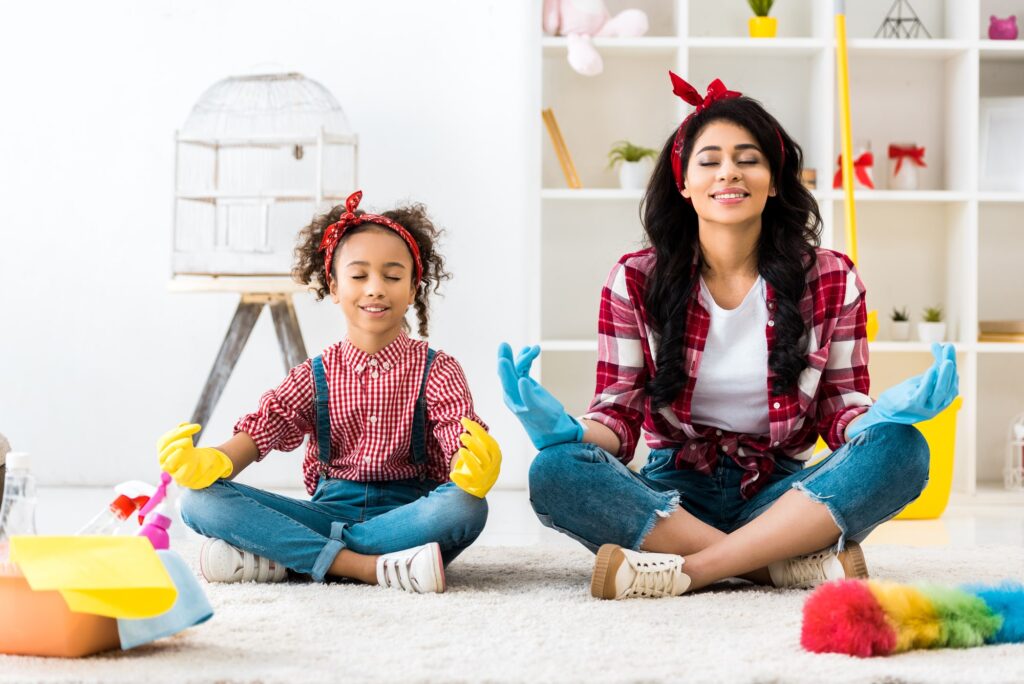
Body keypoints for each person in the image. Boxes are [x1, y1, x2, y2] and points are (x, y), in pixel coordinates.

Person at [499, 74, 958, 600]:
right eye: (710, 160)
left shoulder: (831, 277)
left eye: (748, 158)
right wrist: (568, 431)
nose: (729, 173)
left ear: (775, 179)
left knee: (902, 448)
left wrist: (882, 416)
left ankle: (693, 569)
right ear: (684, 182)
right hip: (673, 496)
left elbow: (840, 411)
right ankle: (769, 565)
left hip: (785, 495)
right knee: (555, 469)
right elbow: (618, 419)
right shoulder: (634, 278)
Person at [160, 190, 501, 594]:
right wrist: (214, 459)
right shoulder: (314, 374)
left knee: (466, 507)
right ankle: (369, 567)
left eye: (392, 277)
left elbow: (455, 435)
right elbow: (264, 428)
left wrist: (473, 462)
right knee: (197, 501)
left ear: (413, 289)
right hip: (324, 512)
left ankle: (290, 559)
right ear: (334, 286)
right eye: (359, 276)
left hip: (407, 517)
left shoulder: (438, 370)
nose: (375, 288)